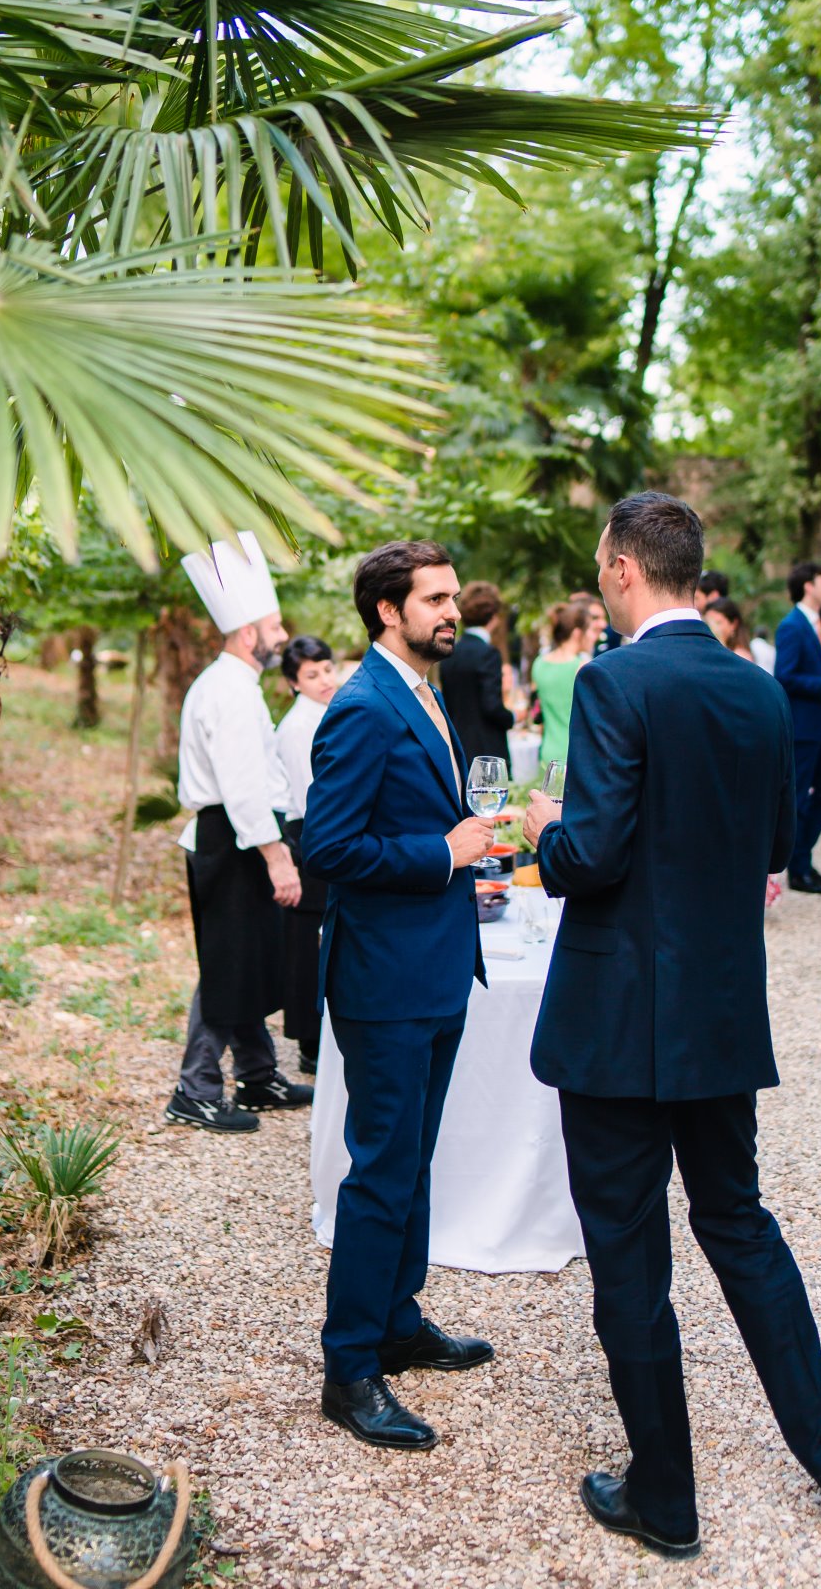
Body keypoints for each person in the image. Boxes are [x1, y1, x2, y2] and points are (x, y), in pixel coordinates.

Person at [522, 492, 821, 1561]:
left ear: (625, 569)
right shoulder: (759, 690)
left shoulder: (612, 681)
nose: (596, 580)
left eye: (599, 565)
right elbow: (778, 841)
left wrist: (545, 830)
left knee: (628, 1256)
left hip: (616, 1019)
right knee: (738, 1225)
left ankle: (664, 1502)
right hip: (720, 1012)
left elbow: (590, 857)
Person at [303, 541, 495, 1453]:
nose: (452, 612)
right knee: (380, 1172)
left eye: (454, 597)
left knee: (414, 1161)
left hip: (438, 966)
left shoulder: (427, 691)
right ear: (389, 611)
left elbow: (423, 817)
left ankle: (397, 1321)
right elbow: (328, 851)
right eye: (436, 599)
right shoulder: (363, 707)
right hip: (384, 979)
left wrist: (469, 853)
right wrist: (443, 857)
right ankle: (349, 1370)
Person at [164, 533, 314, 1133]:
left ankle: (256, 1076)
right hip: (232, 839)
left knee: (250, 955)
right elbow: (245, 786)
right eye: (275, 628)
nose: (282, 637)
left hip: (237, 835)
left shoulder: (234, 685)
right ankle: (194, 1090)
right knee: (230, 961)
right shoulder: (228, 690)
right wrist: (279, 860)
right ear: (249, 633)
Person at [275, 635, 339, 1076]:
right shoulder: (300, 726)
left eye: (327, 670)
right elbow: (308, 792)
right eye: (311, 675)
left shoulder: (327, 713)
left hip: (324, 825)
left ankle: (321, 1036)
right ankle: (309, 1042)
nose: (324, 680)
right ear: (293, 683)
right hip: (308, 829)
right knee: (306, 939)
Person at [775, 560, 821, 893]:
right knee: (800, 797)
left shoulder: (817, 625)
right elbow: (785, 676)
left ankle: (804, 859)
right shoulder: (792, 626)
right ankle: (797, 869)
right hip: (805, 726)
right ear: (808, 586)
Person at [437, 579, 514, 769]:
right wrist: (512, 717)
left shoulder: (449, 651)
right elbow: (491, 707)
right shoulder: (488, 653)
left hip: (456, 746)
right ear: (494, 616)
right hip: (486, 750)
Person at [531, 602, 597, 764]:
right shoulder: (582, 666)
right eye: (590, 630)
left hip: (547, 751)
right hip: (575, 753)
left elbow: (535, 710)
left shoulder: (539, 663)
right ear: (577, 633)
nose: (593, 637)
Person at [702, 595, 754, 659]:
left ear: (733, 624)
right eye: (708, 623)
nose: (712, 628)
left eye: (718, 623)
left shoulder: (740, 657)